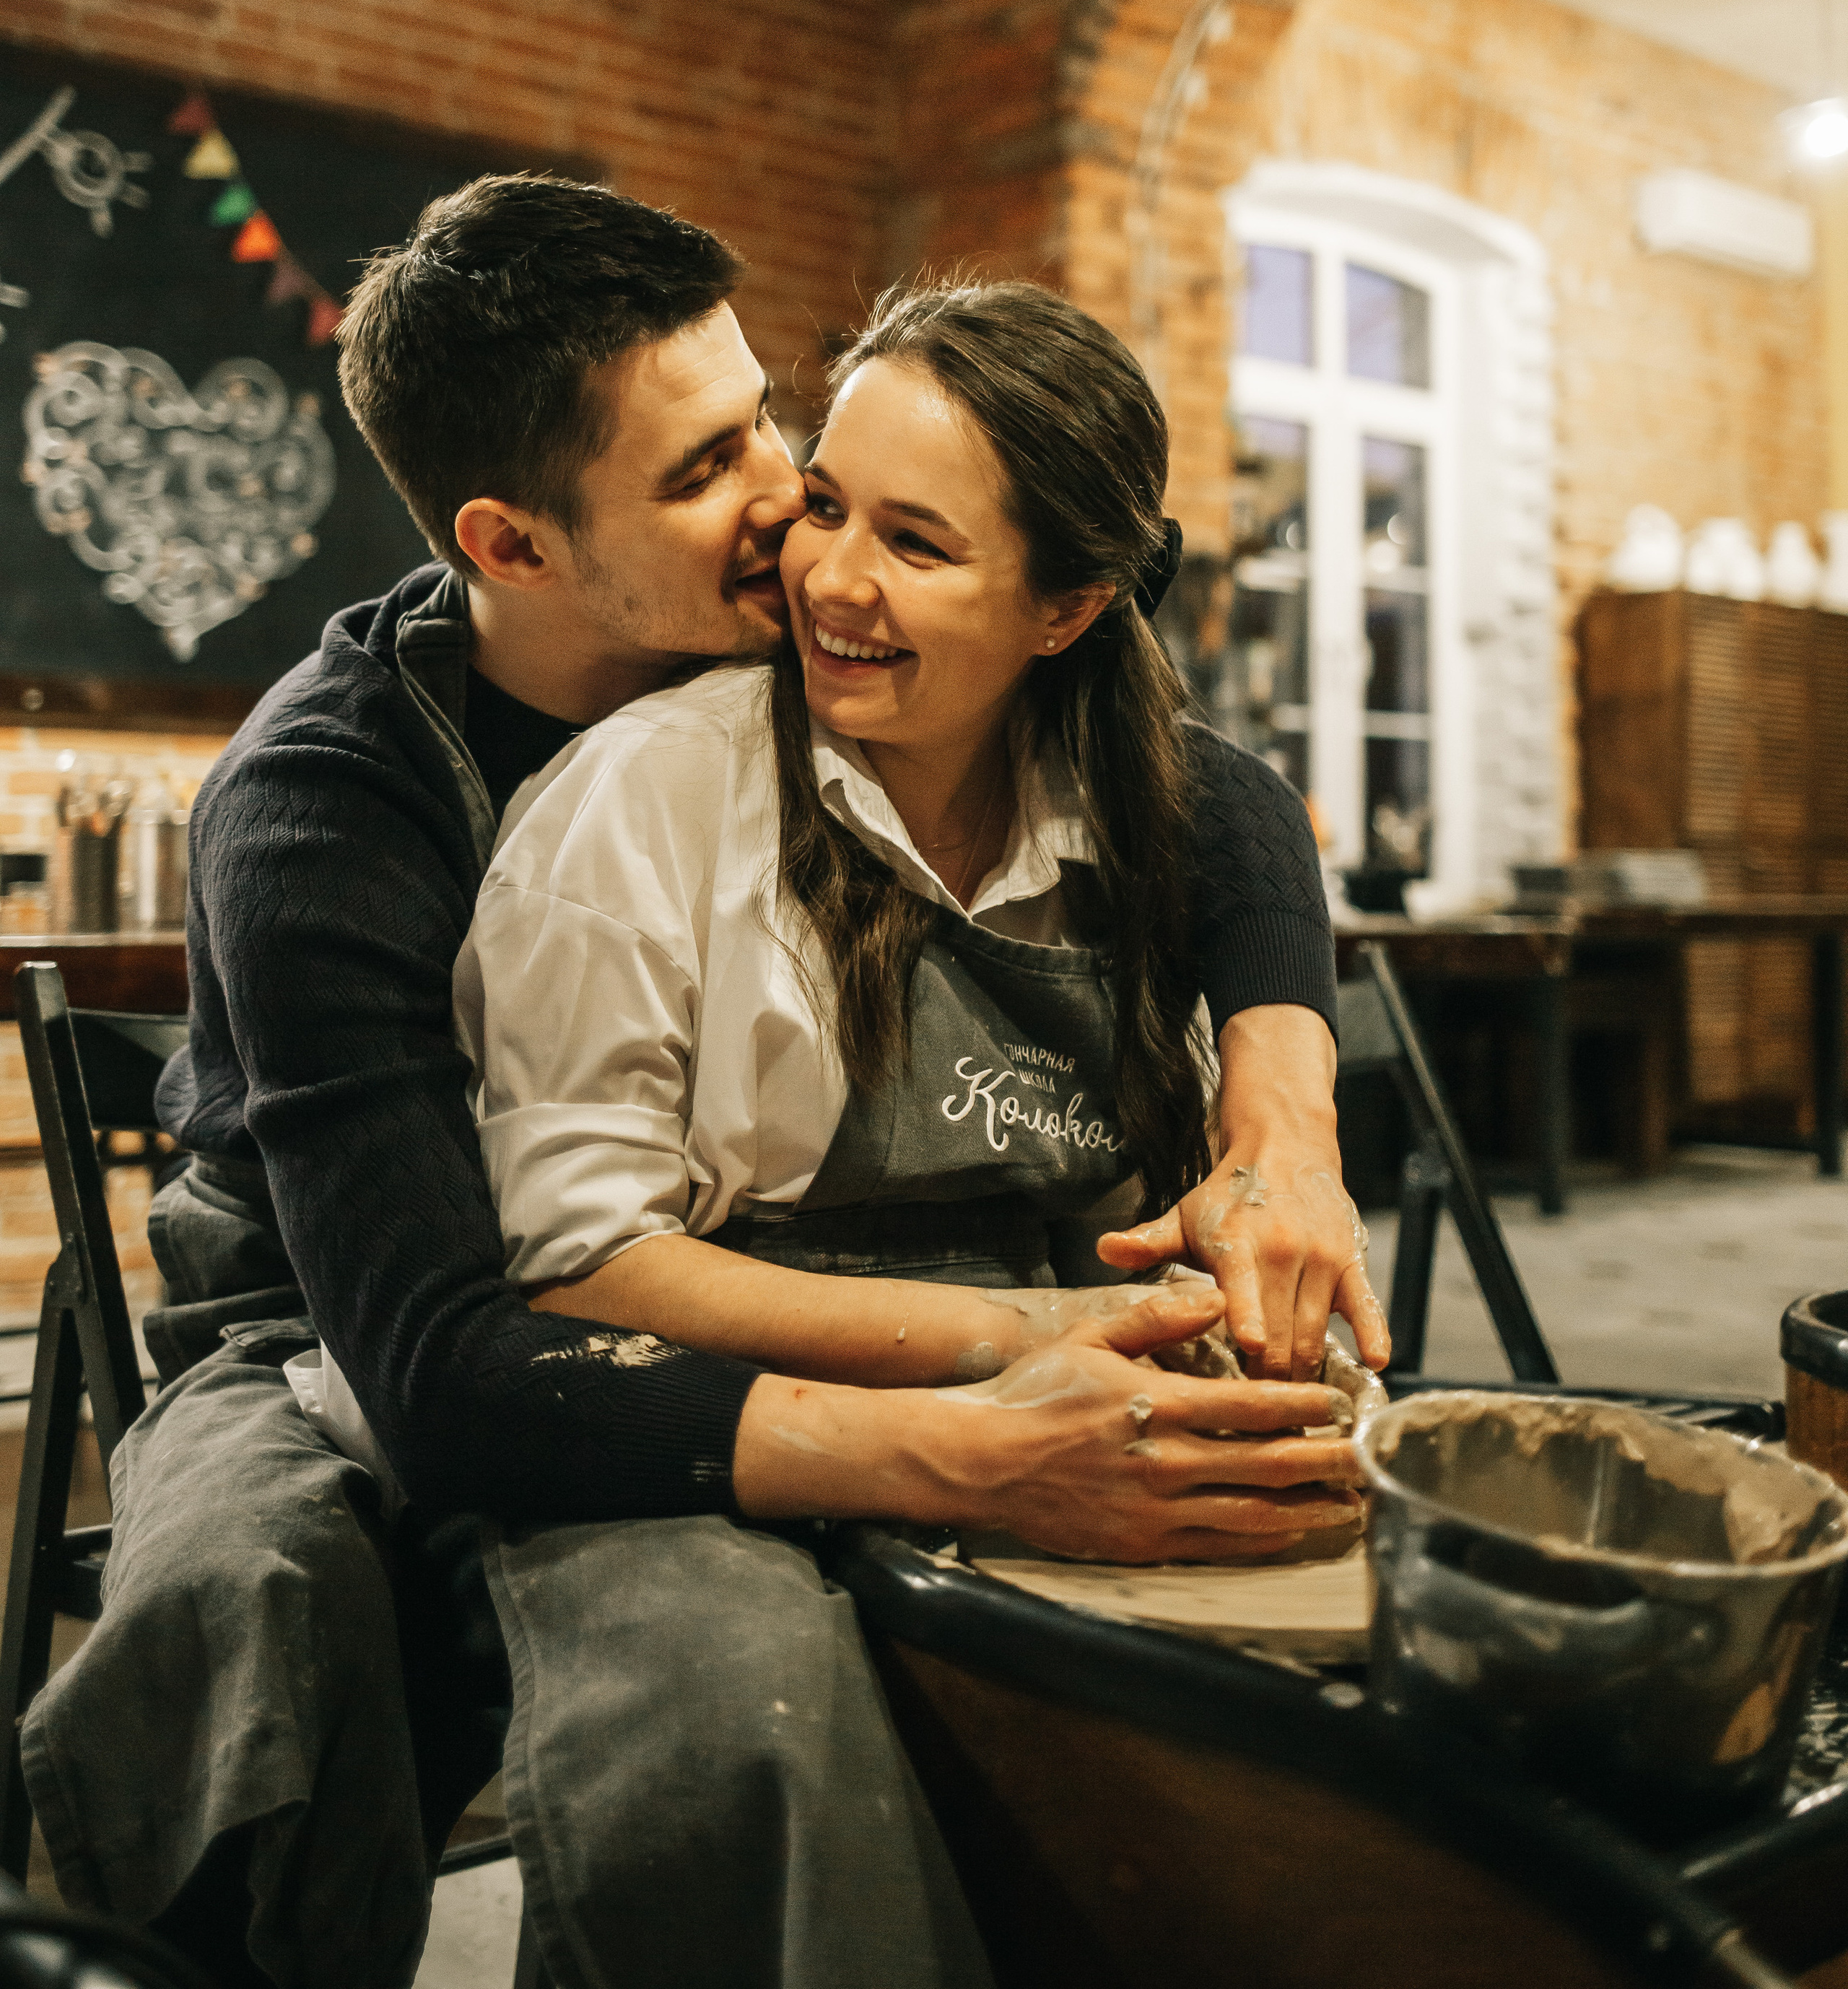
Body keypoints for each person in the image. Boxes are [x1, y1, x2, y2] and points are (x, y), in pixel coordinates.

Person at [21, 178, 1374, 1989]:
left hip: (685, 1267)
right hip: (340, 1309)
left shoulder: (808, 658)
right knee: (265, 1615)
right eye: (700, 475)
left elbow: (1196, 778)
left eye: (768, 427)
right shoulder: (327, 804)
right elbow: (443, 1363)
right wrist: (978, 1427)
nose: (784, 518)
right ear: (510, 546)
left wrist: (1281, 1117)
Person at [440, 277, 1376, 1987]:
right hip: (690, 1384)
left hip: (1057, 1333)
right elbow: (578, 1262)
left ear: (1069, 604)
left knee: (1293, 1703)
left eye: (918, 543)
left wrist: (1258, 1210)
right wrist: (1040, 1334)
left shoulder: (1149, 805)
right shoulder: (639, 802)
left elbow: (1243, 818)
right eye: (829, 507)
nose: (828, 578)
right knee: (756, 1733)